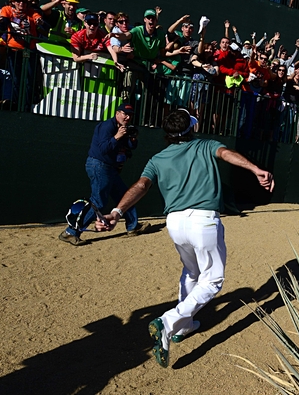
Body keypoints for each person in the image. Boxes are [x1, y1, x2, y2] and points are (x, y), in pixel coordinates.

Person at [95, 109, 274, 368]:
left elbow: (141, 185)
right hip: (203, 220)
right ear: (191, 127)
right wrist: (255, 168)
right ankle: (169, 321)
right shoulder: (206, 145)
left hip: (175, 223)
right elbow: (226, 154)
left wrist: (116, 212)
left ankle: (184, 326)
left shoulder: (157, 158)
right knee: (212, 280)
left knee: (191, 271)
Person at [59, 103, 148, 246]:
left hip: (109, 168)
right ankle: (71, 232)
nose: (127, 117)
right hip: (99, 165)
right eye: (124, 113)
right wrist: (117, 137)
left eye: (130, 115)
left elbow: (130, 147)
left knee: (125, 196)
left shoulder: (123, 128)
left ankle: (133, 226)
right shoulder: (107, 127)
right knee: (98, 201)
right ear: (117, 113)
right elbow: (102, 149)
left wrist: (132, 138)